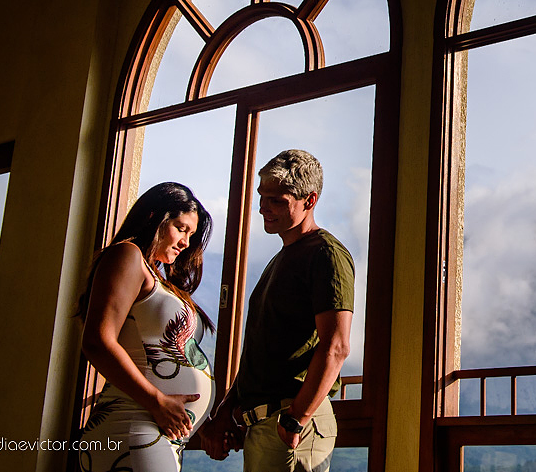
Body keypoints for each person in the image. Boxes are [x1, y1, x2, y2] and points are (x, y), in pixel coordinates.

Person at [200, 149, 354, 472]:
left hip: (292, 426)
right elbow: (262, 354)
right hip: (267, 426)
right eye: (262, 197)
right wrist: (227, 411)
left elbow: (336, 347)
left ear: (309, 200)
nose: (263, 208)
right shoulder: (280, 260)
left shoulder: (326, 255)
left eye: (276, 200)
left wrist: (297, 419)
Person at [75, 182, 216, 472]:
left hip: (156, 431)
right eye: (181, 228)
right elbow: (97, 342)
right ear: (154, 218)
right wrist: (157, 401)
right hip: (133, 424)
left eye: (191, 234)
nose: (186, 242)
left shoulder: (156, 276)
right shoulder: (127, 255)